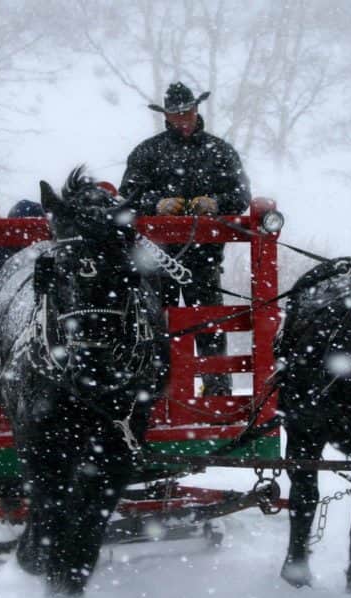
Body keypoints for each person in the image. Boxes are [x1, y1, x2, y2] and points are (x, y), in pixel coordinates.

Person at [120, 81, 251, 396]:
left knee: (208, 328)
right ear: (166, 115)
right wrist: (156, 205)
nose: (181, 119)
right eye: (175, 113)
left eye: (186, 112)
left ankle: (217, 394)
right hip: (153, 258)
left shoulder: (220, 151)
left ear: (196, 110)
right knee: (154, 327)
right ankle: (155, 395)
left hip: (203, 258)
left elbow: (241, 195)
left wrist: (217, 203)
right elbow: (127, 196)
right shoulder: (147, 152)